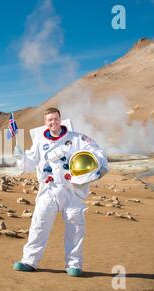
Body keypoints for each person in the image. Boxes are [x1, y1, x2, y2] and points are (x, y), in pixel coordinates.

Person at [12, 107, 108, 277]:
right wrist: (21, 157)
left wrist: (99, 166)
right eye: (49, 119)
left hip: (73, 189)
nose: (53, 122)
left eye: (55, 119)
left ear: (60, 119)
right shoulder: (40, 141)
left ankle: (74, 264)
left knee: (75, 227)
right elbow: (31, 163)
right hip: (48, 189)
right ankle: (29, 261)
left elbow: (97, 151)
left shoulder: (77, 138)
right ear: (45, 122)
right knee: (39, 224)